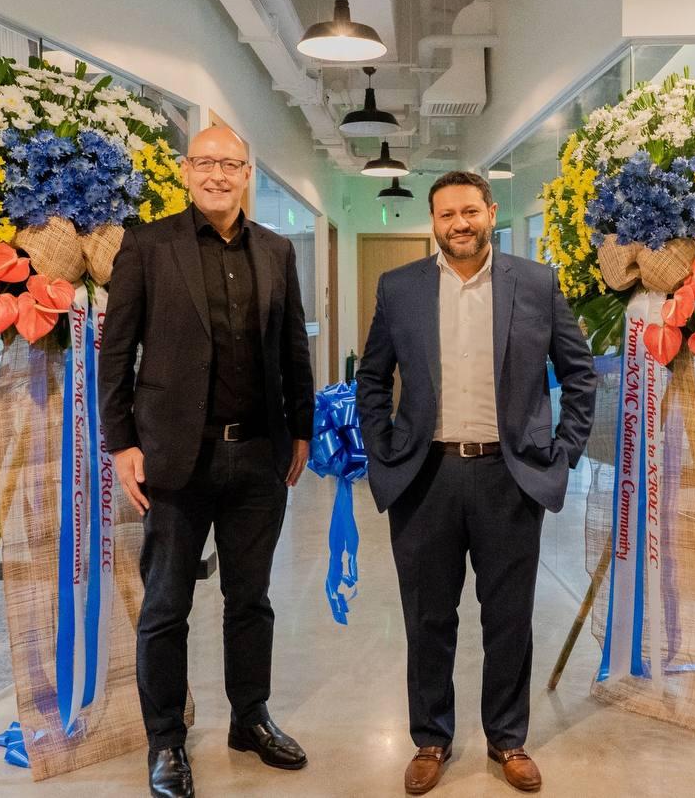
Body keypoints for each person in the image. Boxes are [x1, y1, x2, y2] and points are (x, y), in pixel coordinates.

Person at [356, 170, 596, 794]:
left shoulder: (536, 283)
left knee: (509, 619)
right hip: (425, 477)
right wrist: (384, 449)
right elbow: (372, 378)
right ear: (433, 222)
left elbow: (579, 373)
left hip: (508, 477)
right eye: (446, 214)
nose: (459, 224)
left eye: (469, 211)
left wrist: (563, 452)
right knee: (427, 618)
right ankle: (430, 738)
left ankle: (508, 738)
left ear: (489, 212)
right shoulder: (400, 288)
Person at [99, 126, 314, 798]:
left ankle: (250, 718)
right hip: (174, 460)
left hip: (258, 455)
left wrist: (302, 429)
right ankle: (165, 739)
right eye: (206, 162)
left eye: (230, 163)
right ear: (186, 170)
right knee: (167, 605)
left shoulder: (276, 250)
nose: (218, 174)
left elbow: (293, 348)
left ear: (248, 174)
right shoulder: (148, 245)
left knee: (250, 599)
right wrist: (121, 443)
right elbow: (117, 352)